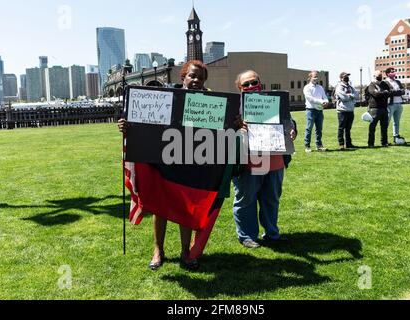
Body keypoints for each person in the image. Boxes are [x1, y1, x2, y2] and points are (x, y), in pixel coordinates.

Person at [118, 60, 210, 271]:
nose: (196, 80)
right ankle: (158, 249)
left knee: (187, 207)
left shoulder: (211, 101)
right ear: (183, 77)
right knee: (161, 207)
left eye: (201, 78)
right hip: (163, 158)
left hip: (192, 159)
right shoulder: (166, 96)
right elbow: (143, 118)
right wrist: (126, 125)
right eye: (192, 76)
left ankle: (185, 251)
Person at [232, 70, 297, 249]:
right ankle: (247, 236)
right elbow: (224, 133)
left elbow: (289, 122)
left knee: (271, 199)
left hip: (275, 160)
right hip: (247, 163)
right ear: (240, 88)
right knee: (246, 200)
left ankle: (271, 234)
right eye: (246, 84)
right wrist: (236, 126)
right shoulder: (234, 106)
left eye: (254, 82)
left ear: (260, 83)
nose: (251, 86)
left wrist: (293, 130)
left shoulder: (274, 101)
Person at [303, 71, 329, 153]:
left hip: (319, 111)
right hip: (310, 110)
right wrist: (322, 102)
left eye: (317, 76)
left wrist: (326, 102)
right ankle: (307, 145)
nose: (316, 78)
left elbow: (325, 97)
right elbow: (310, 99)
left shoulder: (320, 87)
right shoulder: (307, 88)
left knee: (319, 129)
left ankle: (319, 145)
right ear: (310, 78)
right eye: (314, 77)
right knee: (309, 128)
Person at [367, 70, 391, 148]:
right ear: (374, 76)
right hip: (374, 109)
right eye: (378, 75)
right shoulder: (371, 85)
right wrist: (384, 92)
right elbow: (376, 94)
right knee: (372, 127)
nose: (380, 77)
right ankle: (371, 143)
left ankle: (384, 142)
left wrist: (383, 93)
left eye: (381, 75)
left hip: (384, 108)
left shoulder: (384, 84)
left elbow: (389, 93)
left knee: (384, 127)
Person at [335, 72, 359, 150]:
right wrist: (351, 96)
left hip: (350, 110)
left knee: (348, 128)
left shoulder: (351, 87)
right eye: (345, 76)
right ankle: (341, 144)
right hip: (342, 110)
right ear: (341, 78)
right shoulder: (339, 87)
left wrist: (349, 95)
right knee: (341, 128)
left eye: (348, 76)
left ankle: (349, 143)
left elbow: (357, 95)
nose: (347, 78)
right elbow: (343, 98)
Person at [384, 67, 406, 144]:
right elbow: (389, 92)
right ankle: (384, 138)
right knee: (387, 122)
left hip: (399, 103)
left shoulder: (398, 81)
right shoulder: (385, 83)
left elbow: (403, 91)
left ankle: (396, 137)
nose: (394, 73)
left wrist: (396, 92)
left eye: (394, 71)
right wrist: (397, 92)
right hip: (390, 104)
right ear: (387, 74)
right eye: (392, 72)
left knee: (396, 122)